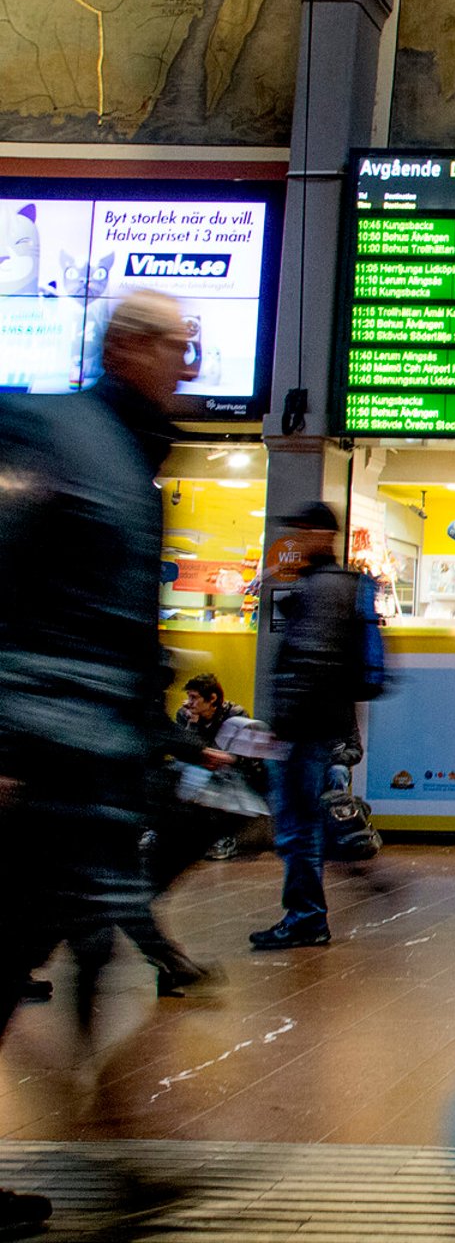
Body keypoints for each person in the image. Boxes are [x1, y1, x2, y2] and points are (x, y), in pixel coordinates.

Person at [0, 289, 202, 1235]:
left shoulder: (120, 454)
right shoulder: (69, 440)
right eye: (177, 350)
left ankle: (116, 1150)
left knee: (82, 950)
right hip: (40, 757)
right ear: (128, 350)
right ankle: (116, 1154)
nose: (188, 371)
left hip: (83, 760)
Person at [251, 501, 375, 950]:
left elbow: (311, 660)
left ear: (321, 535)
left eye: (301, 532)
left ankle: (306, 916)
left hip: (305, 726)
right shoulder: (338, 586)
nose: (295, 542)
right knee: (304, 821)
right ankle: (314, 905)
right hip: (321, 722)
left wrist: (282, 723)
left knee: (296, 825)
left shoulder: (320, 589)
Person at [175, 671, 270, 859]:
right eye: (188, 697)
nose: (189, 703)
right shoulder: (185, 715)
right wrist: (192, 725)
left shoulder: (235, 715)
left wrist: (217, 758)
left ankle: (226, 838)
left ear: (212, 699)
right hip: (202, 768)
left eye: (194, 698)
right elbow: (185, 750)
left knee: (219, 778)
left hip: (237, 772)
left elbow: (243, 756)